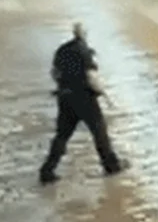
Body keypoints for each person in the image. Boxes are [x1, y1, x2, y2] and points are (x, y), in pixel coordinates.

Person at [39, 22, 126, 185]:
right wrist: (104, 93)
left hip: (65, 98)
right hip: (85, 99)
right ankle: (111, 165)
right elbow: (91, 76)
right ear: (84, 34)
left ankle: (47, 170)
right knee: (99, 132)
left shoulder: (62, 50)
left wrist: (63, 86)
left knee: (62, 135)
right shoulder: (85, 51)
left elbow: (54, 73)